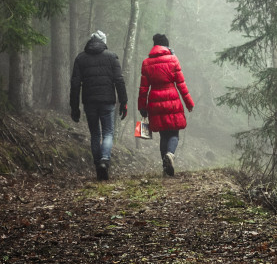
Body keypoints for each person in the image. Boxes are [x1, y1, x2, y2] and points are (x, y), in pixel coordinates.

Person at [70, 30, 128, 180]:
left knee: (95, 134)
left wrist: (74, 107)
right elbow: (119, 81)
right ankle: (105, 160)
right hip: (107, 101)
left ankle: (98, 166)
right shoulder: (111, 57)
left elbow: (75, 84)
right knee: (108, 132)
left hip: (89, 102)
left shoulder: (80, 58)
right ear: (104, 41)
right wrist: (124, 102)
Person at [137, 33, 194, 176]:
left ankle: (165, 166)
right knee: (174, 133)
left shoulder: (146, 63)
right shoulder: (173, 59)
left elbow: (143, 88)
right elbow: (181, 84)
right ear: (166, 45)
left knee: (163, 134)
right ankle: (170, 154)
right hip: (172, 98)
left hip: (155, 101)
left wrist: (142, 106)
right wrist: (189, 103)